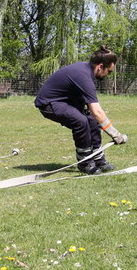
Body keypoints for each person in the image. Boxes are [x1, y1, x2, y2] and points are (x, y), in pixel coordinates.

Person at [35, 45, 128, 174]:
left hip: (66, 101)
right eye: (109, 71)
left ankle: (98, 160)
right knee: (81, 121)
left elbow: (94, 114)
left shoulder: (87, 72)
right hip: (49, 103)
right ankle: (85, 163)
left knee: (92, 120)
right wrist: (116, 135)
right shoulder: (84, 76)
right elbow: (97, 112)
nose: (108, 75)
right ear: (100, 66)